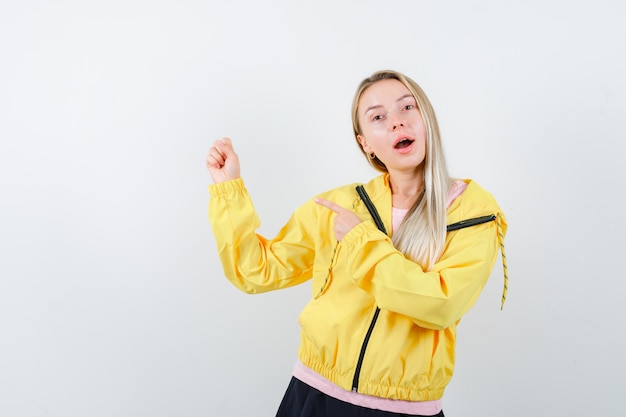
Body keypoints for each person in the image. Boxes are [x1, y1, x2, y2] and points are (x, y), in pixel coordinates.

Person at [206, 70, 508, 417]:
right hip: (312, 395)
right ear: (365, 143)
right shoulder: (339, 206)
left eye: (407, 108)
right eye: (378, 117)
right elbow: (254, 271)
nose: (396, 122)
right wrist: (228, 190)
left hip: (404, 410)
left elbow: (440, 303)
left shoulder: (474, 211)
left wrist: (360, 241)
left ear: (426, 119)